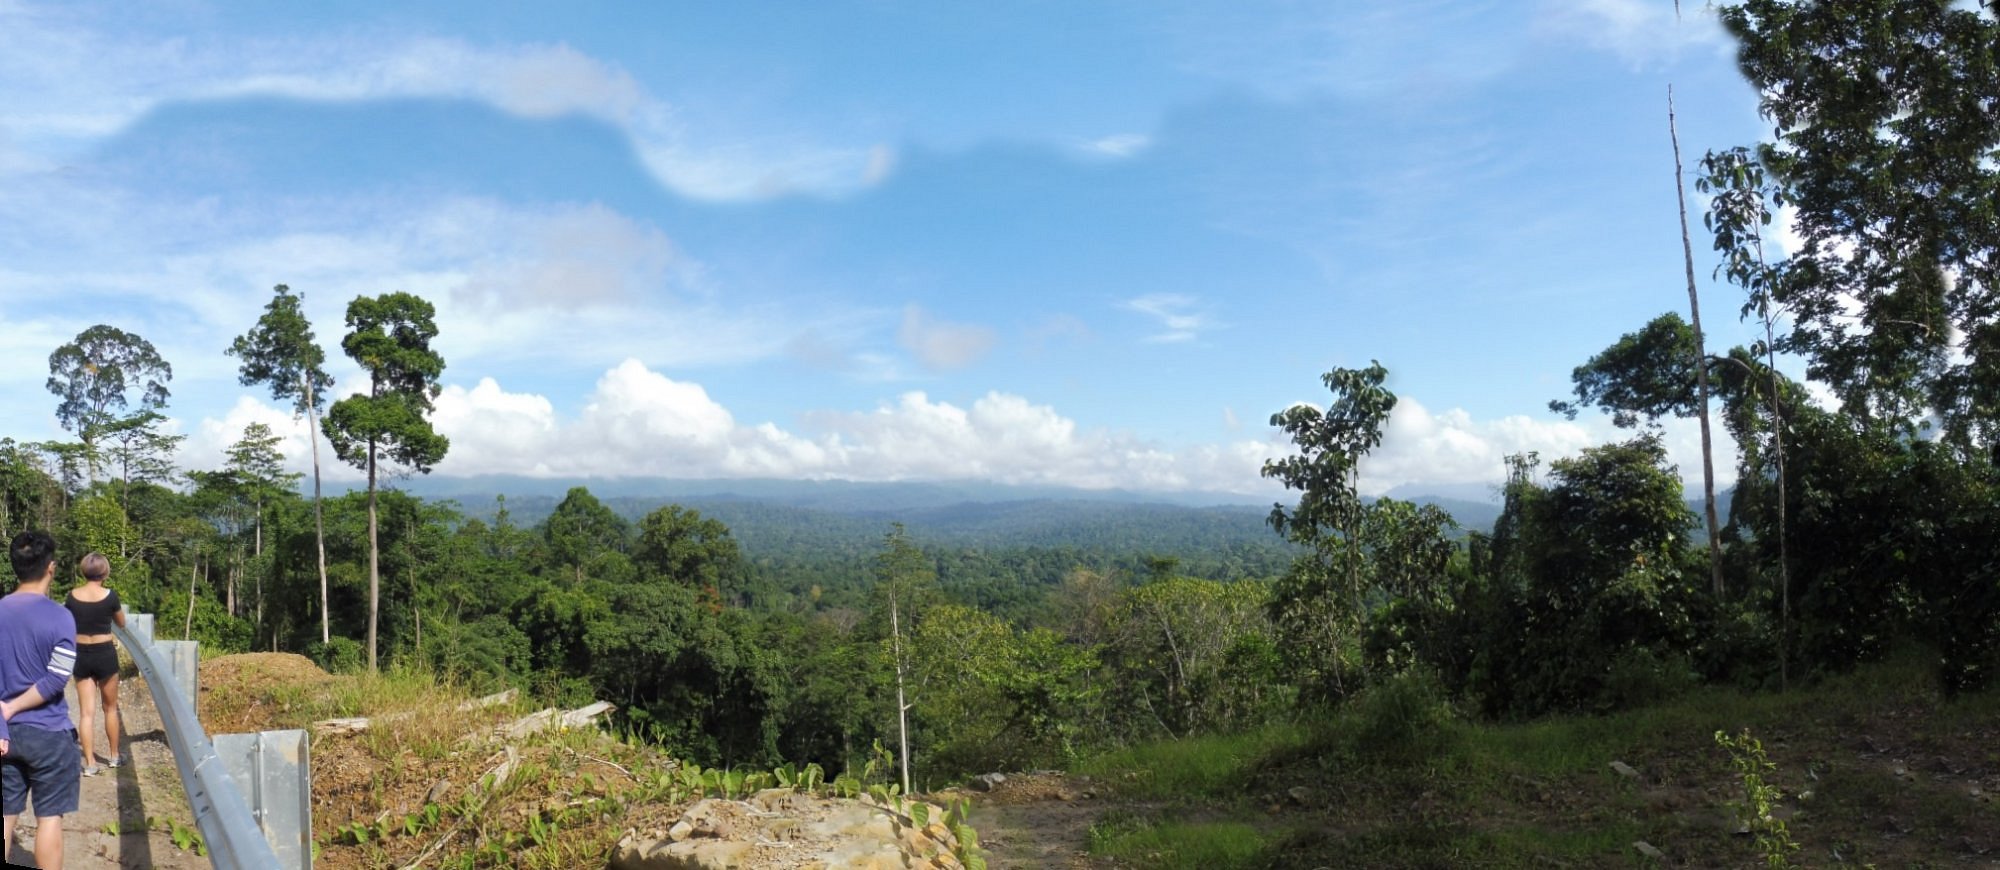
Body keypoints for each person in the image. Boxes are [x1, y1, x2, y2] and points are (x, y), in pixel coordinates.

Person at [1, 530, 79, 870]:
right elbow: (57, 678)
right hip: (49, 732)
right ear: (51, 567)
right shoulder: (60, 616)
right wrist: (14, 705)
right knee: (49, 818)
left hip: (5, 734)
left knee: (5, 814)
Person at [64, 553, 124, 777]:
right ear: (105, 572)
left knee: (86, 713)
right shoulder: (110, 596)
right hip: (104, 653)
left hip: (81, 653)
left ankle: (89, 763)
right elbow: (121, 623)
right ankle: (114, 756)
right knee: (110, 707)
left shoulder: (72, 596)